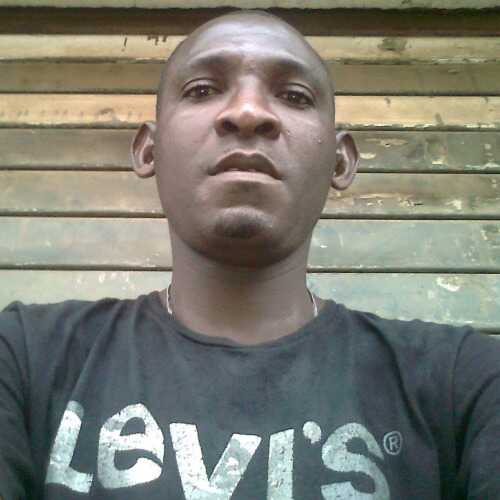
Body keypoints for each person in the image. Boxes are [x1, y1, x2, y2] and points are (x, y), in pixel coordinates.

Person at [0, 10, 499, 500]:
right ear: (149, 151)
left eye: (294, 96)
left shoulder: (465, 383)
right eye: (202, 90)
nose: (248, 111)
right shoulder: (25, 358)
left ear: (340, 160)